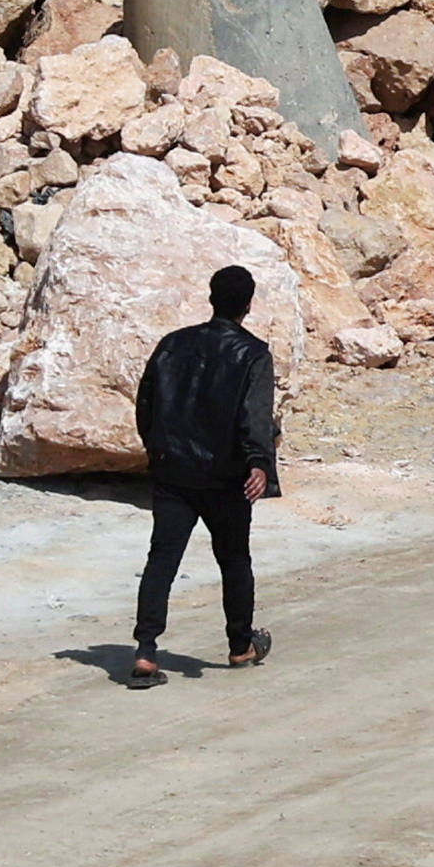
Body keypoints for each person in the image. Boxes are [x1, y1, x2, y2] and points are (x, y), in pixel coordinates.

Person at [129, 265, 281, 680]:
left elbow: (145, 405)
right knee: (234, 559)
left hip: (173, 473)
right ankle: (239, 645)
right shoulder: (253, 354)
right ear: (249, 305)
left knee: (161, 559)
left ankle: (145, 650)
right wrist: (259, 464)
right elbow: (255, 419)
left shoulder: (171, 345)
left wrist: (158, 452)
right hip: (225, 479)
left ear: (211, 297)